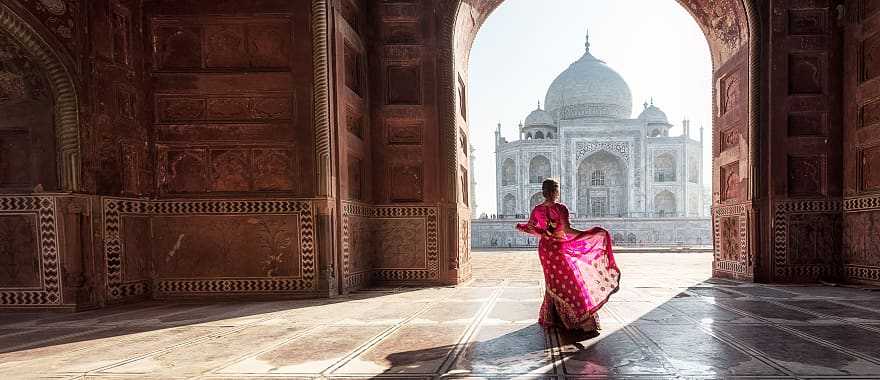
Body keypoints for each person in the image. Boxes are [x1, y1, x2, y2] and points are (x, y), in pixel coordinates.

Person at [515, 178, 620, 333]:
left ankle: (554, 317)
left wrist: (541, 232)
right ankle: (577, 317)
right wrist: (587, 234)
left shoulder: (537, 209)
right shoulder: (560, 208)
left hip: (545, 249)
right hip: (557, 247)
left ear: (543, 192)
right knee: (570, 279)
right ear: (556, 191)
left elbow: (530, 228)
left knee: (553, 282)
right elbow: (567, 230)